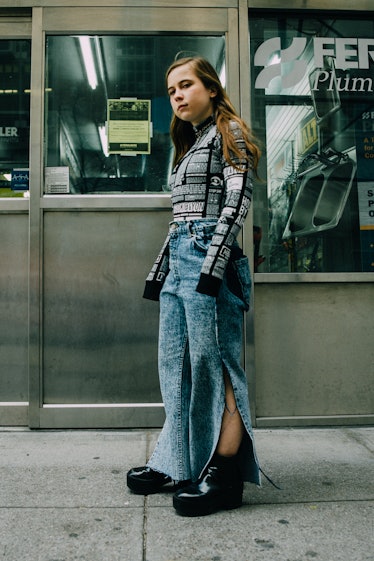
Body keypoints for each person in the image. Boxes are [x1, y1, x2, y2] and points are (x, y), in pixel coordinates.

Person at [127, 56, 261, 517]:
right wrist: (160, 272)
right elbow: (178, 220)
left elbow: (237, 203)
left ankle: (224, 473)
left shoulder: (231, 133)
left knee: (216, 364)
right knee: (175, 365)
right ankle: (177, 460)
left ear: (211, 87)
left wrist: (212, 267)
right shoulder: (190, 143)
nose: (178, 95)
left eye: (186, 85)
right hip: (181, 261)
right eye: (172, 90)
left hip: (208, 259)